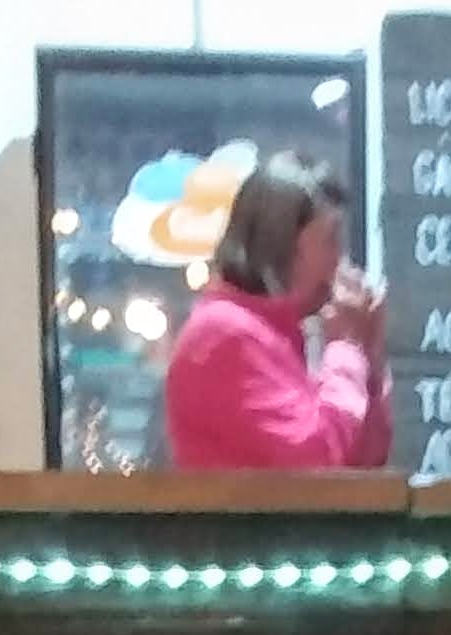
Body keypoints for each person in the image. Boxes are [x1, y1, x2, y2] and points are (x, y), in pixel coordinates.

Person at [161, 156, 391, 474]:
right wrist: (347, 347)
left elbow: (363, 465)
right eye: (330, 239)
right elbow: (316, 463)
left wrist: (369, 361)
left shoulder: (275, 334)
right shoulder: (223, 335)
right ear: (284, 246)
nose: (340, 260)